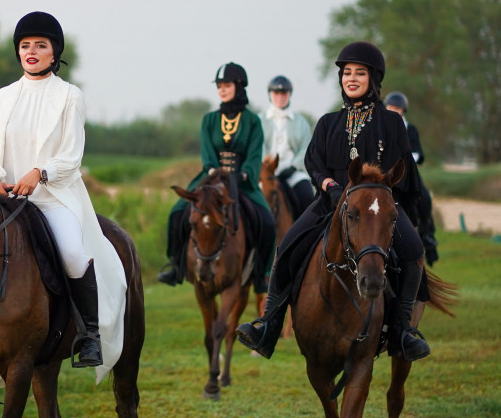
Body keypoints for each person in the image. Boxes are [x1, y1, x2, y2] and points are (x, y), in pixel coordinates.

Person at [0, 11, 127, 373]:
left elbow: (71, 156)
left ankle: (89, 335)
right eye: (26, 46)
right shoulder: (4, 97)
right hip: (3, 201)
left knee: (72, 252)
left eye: (41, 45)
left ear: (54, 53)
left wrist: (39, 173)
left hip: (52, 198)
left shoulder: (70, 96)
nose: (32, 51)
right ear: (18, 53)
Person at [236, 42, 431, 361]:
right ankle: (268, 326)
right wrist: (329, 184)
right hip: (330, 201)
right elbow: (313, 162)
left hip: (375, 209)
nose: (352, 78)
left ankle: (402, 332)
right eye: (347, 73)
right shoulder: (327, 122)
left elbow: (402, 169)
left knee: (413, 253)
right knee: (286, 248)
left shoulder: (392, 123)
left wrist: (380, 193)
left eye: (360, 73)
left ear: (374, 78)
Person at [156, 63, 275, 294]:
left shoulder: (252, 121)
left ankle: (262, 274)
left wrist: (245, 174)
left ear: (239, 87)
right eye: (219, 86)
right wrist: (212, 170)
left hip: (242, 180)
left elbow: (254, 154)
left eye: (226, 85)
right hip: (210, 179)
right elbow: (208, 152)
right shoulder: (209, 120)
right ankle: (176, 266)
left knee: (268, 221)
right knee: (177, 212)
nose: (222, 89)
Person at [385, 91, 439, 264]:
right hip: (385, 173)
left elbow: (418, 152)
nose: (394, 110)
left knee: (423, 196)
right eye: (391, 107)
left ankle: (427, 232)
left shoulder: (410, 129)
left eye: (397, 108)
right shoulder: (382, 126)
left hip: (408, 172)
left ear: (403, 111)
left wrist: (408, 160)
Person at [260, 75, 314, 216]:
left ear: (289, 94)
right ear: (270, 94)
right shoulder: (259, 120)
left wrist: (293, 167)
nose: (280, 96)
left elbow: (306, 149)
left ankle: (307, 234)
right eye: (276, 93)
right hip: (265, 172)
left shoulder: (301, 122)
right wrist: (266, 167)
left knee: (307, 196)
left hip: (292, 172)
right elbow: (258, 147)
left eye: (284, 93)